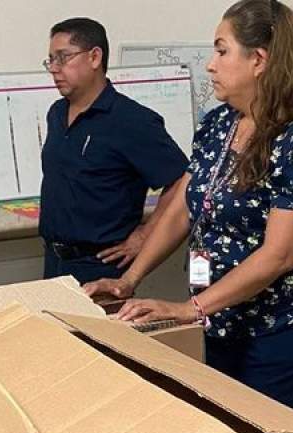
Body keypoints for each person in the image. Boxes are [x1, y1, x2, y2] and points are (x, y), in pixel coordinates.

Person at [84, 0, 293, 420]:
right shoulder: (219, 123)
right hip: (222, 317)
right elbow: (185, 207)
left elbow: (280, 254)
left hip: (283, 326)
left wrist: (191, 308)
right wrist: (129, 279)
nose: (211, 65)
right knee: (228, 432)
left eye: (221, 50)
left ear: (259, 59)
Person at [39, 18, 189, 284]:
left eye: (63, 58)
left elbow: (181, 180)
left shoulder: (131, 121)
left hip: (100, 265)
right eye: (51, 60)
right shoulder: (57, 113)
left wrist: (146, 234)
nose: (54, 69)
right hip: (54, 260)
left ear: (95, 57)